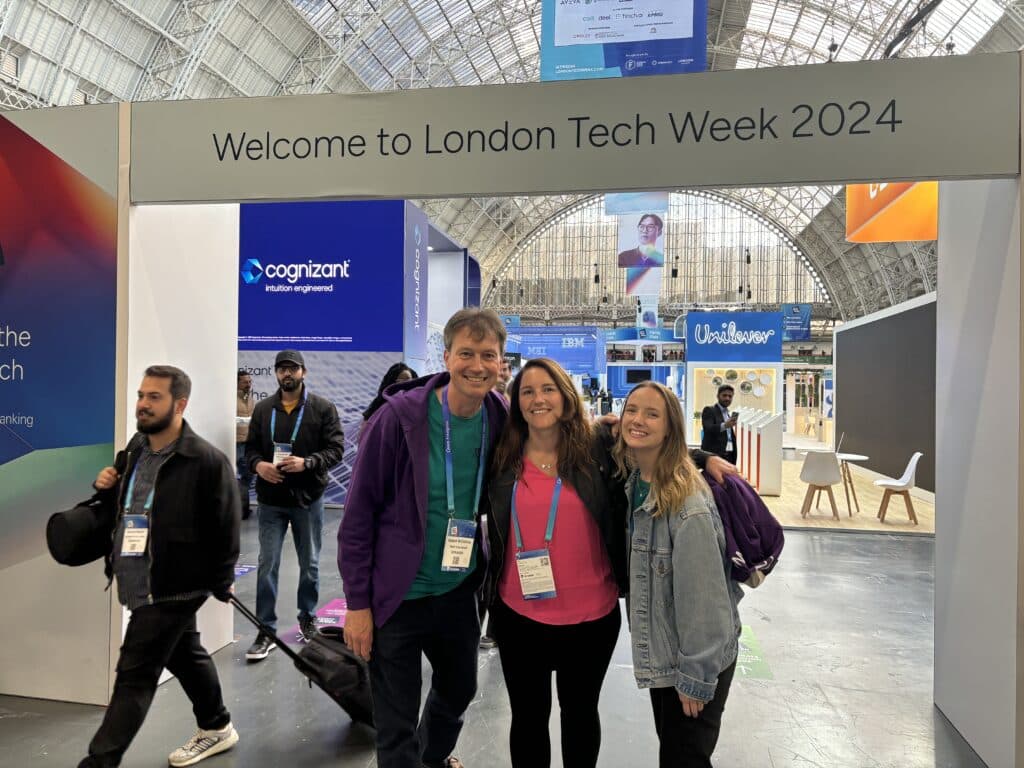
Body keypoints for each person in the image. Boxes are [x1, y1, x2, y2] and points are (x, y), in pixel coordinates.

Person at [340, 308, 509, 768]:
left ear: (501, 362)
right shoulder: (397, 422)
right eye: (467, 353)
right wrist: (358, 605)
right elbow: (356, 517)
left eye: (488, 355)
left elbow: (563, 435)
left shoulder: (501, 417)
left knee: (459, 689)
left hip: (457, 590)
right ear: (446, 356)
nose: (477, 365)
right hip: (396, 597)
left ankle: (431, 757)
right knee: (395, 719)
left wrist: (707, 459)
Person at [78, 365, 241, 768]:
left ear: (179, 404)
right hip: (138, 577)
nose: (143, 405)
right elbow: (130, 503)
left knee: (135, 673)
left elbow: (227, 527)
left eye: (154, 397)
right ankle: (217, 725)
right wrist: (107, 485)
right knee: (184, 652)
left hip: (176, 586)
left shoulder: (206, 461)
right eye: (141, 395)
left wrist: (220, 580)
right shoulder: (136, 448)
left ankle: (99, 762)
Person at [485, 358, 626, 768]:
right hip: (519, 618)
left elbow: (656, 446)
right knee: (528, 721)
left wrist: (705, 458)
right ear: (516, 403)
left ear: (566, 397)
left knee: (580, 718)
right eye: (527, 391)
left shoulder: (598, 448)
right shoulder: (501, 456)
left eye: (547, 389)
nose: (537, 399)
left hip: (591, 621)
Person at [615, 382, 742, 768]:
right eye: (631, 410)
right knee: (674, 750)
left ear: (671, 428)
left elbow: (706, 602)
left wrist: (697, 677)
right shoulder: (637, 480)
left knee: (685, 757)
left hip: (692, 662)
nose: (638, 420)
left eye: (652, 414)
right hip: (667, 652)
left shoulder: (687, 505)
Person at [244, 349, 345, 660]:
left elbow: (336, 448)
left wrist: (309, 462)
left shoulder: (322, 409)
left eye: (292, 369)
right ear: (276, 374)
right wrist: (259, 466)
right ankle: (266, 629)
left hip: (307, 499)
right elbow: (250, 451)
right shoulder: (263, 410)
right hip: (271, 501)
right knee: (267, 564)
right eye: (281, 369)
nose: (287, 374)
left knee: (310, 564)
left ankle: (307, 617)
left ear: (303, 372)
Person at [361, 362, 418, 437]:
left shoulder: (416, 406)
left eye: (409, 380)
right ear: (391, 383)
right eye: (400, 381)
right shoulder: (379, 407)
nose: (406, 385)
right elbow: (363, 437)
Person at [701, 384, 738, 465]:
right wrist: (725, 425)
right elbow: (708, 429)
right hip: (714, 456)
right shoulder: (709, 410)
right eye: (724, 395)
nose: (727, 398)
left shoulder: (728, 414)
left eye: (730, 396)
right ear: (718, 396)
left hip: (729, 455)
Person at [236, 368, 256, 519]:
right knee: (240, 476)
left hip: (247, 443)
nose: (248, 384)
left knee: (247, 476)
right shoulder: (232, 399)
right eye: (245, 382)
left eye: (249, 381)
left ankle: (243, 509)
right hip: (235, 443)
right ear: (237, 383)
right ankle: (241, 510)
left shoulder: (249, 398)